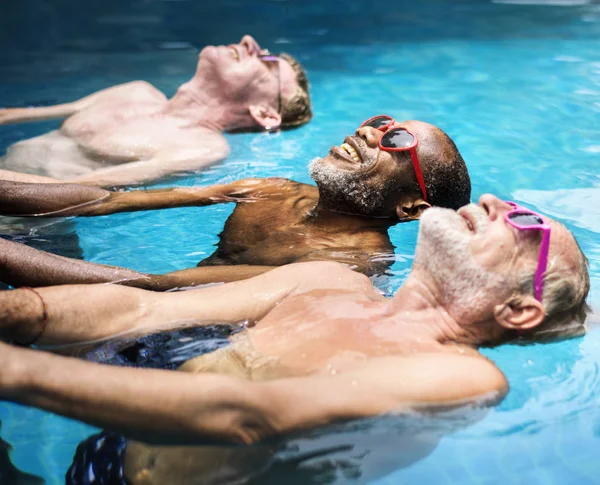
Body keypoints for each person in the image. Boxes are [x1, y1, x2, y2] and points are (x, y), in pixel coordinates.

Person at [0, 195, 590, 484]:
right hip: (107, 455)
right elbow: (135, 308)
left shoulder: (464, 376)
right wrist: (20, 312)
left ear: (518, 309)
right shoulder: (328, 279)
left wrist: (14, 371)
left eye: (527, 223)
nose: (495, 203)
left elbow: (249, 417)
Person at [0, 116, 471, 288]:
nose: (369, 131)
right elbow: (105, 201)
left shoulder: (351, 264)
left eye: (397, 141)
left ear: (411, 208)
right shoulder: (274, 190)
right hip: (129, 299)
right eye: (380, 122)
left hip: (185, 348)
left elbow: (161, 285)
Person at [0, 35, 311, 186]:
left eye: (267, 62)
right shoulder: (136, 90)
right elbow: (9, 116)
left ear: (266, 113)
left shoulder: (201, 148)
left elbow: (80, 191)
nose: (250, 41)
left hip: (21, 223)